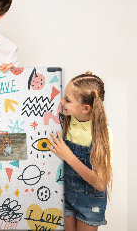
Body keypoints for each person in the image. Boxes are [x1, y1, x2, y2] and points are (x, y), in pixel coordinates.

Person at [46, 71, 113, 231]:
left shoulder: (103, 134)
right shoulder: (66, 120)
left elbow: (101, 183)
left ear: (85, 108)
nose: (61, 102)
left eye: (67, 100)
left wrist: (68, 156)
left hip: (90, 201)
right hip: (66, 194)